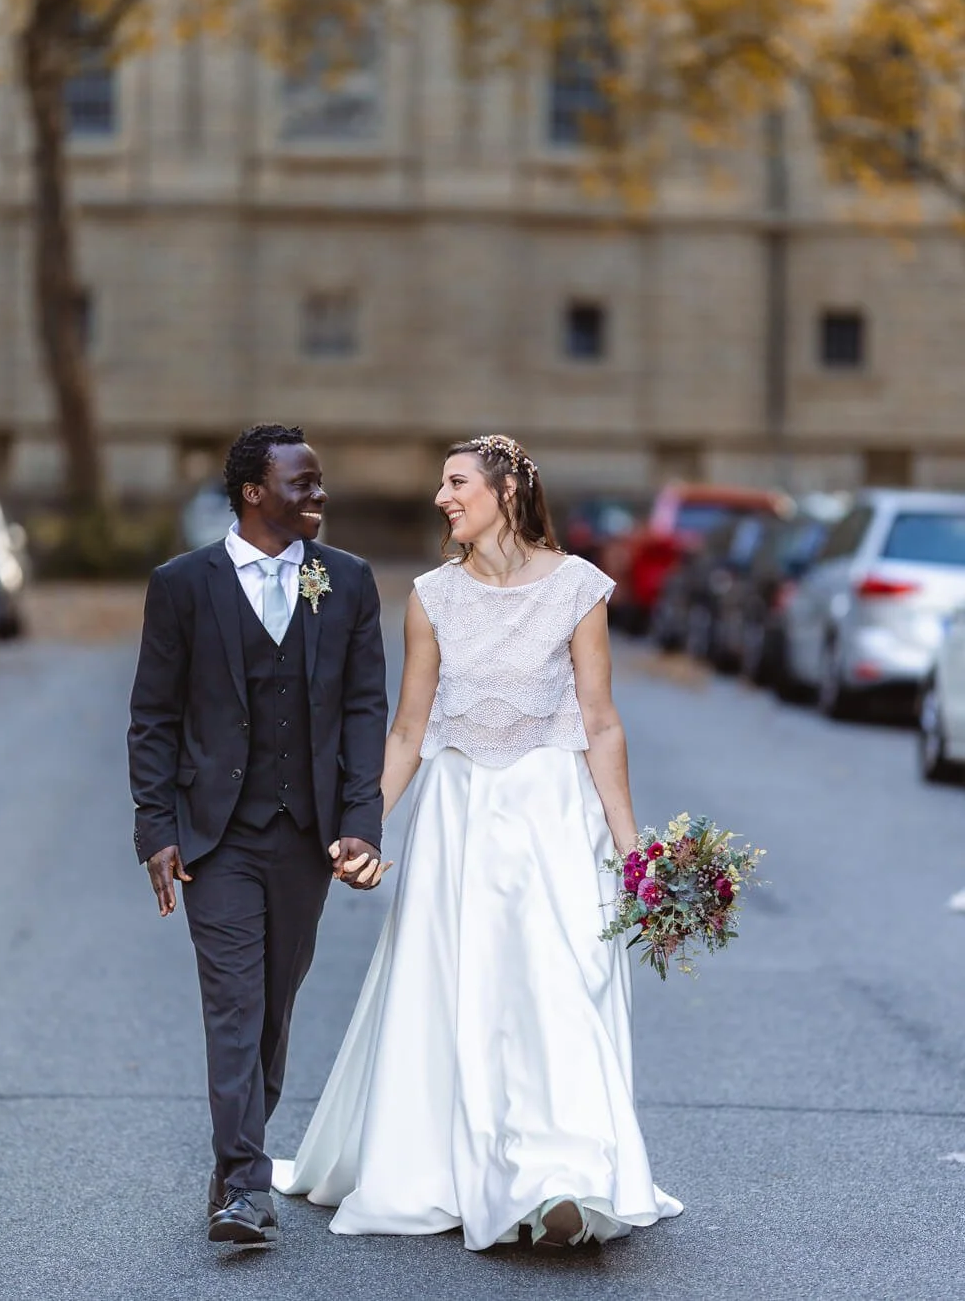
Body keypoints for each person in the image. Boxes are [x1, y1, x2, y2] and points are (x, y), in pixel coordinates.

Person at [273, 433, 682, 1251]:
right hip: (459, 817)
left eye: (457, 482)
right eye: (441, 484)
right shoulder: (431, 597)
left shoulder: (578, 587)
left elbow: (600, 722)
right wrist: (362, 828)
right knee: (458, 990)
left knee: (558, 987)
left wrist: (634, 851)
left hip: (554, 815)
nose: (442, 497)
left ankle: (564, 1178)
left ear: (507, 491)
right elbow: (408, 731)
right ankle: (449, 1169)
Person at [128, 423, 388, 1246]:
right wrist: (155, 828)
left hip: (306, 835)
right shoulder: (182, 585)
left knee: (274, 1007)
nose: (319, 494)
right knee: (234, 1004)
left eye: (318, 481)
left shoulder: (346, 581)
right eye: (302, 483)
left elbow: (364, 710)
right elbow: (153, 716)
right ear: (253, 493)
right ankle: (244, 1182)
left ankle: (235, 1161)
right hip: (216, 836)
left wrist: (361, 822)